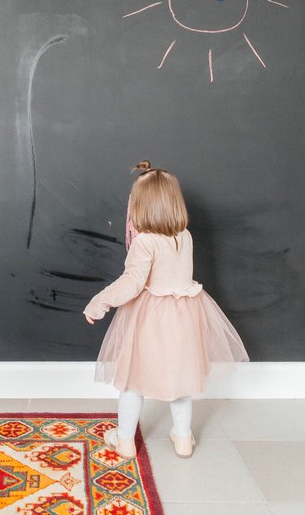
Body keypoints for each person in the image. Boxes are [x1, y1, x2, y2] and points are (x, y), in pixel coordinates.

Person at [83, 160, 249, 459]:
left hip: (151, 319)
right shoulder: (184, 236)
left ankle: (124, 440)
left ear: (140, 206)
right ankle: (183, 438)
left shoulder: (145, 242)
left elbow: (132, 283)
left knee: (132, 380)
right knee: (181, 380)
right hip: (185, 316)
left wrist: (100, 301)